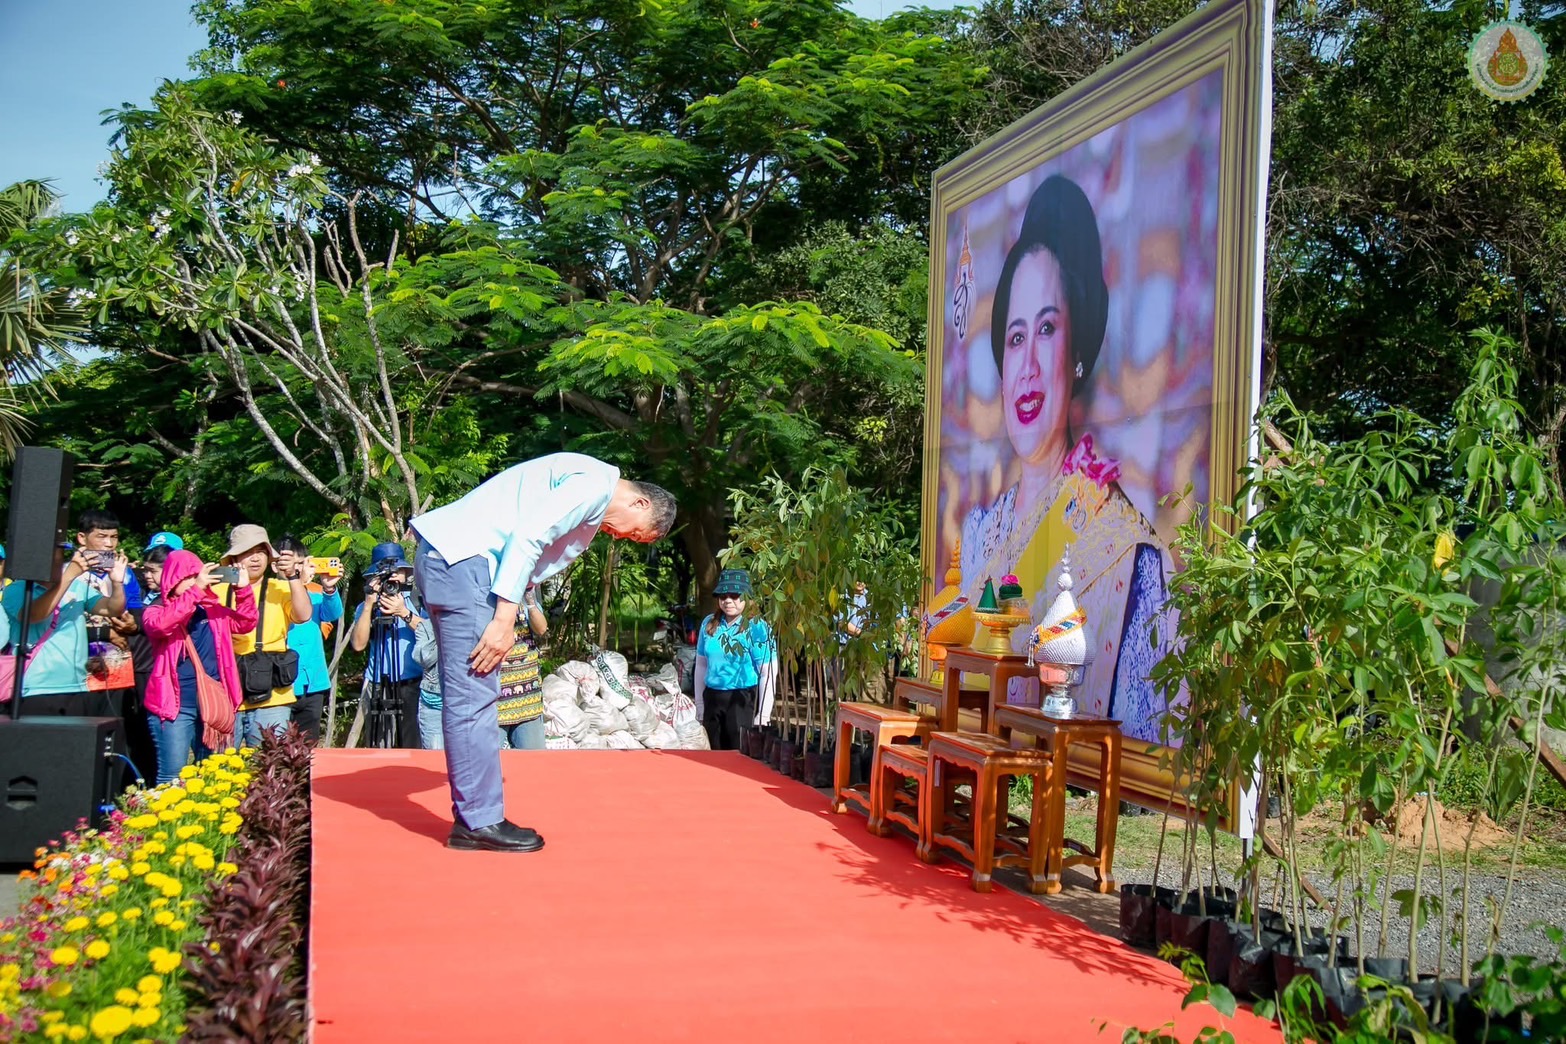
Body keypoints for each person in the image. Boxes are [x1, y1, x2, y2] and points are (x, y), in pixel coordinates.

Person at [972, 173, 1172, 741]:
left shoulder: (1129, 557)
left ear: (1077, 354)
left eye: (1047, 329)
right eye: (1015, 338)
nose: (1029, 364)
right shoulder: (983, 533)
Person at [410, 452, 676, 852]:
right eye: (636, 533)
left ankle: (476, 815)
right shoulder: (595, 483)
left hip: (457, 563)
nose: (622, 538)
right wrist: (504, 619)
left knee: (474, 692)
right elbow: (530, 535)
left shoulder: (589, 485)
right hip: (466, 564)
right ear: (640, 503)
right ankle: (477, 822)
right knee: (474, 693)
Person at [141, 550, 258, 783]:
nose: (198, 580)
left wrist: (243, 590)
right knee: (171, 776)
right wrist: (196, 591)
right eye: (190, 576)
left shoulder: (213, 611)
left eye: (199, 575)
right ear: (172, 580)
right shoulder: (154, 611)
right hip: (174, 707)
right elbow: (163, 625)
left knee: (209, 774)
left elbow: (246, 623)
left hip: (211, 706)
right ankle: (165, 820)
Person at [0, 543, 128, 714]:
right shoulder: (17, 590)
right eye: (54, 556)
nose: (58, 560)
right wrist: (69, 575)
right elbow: (34, 615)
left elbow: (112, 609)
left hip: (76, 686)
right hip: (35, 688)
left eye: (60, 555)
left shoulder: (77, 586)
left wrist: (117, 583)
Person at [215, 524, 313, 745]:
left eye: (260, 551)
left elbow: (304, 615)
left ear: (270, 557)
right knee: (224, 766)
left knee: (267, 769)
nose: (255, 558)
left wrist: (293, 577)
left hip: (273, 695)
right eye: (247, 552)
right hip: (228, 692)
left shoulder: (281, 587)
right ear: (233, 558)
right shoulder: (216, 589)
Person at [349, 542, 425, 748]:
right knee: (378, 744)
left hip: (413, 682)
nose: (392, 577)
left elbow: (431, 635)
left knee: (413, 744)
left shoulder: (417, 601)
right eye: (385, 573)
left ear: (405, 573)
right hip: (378, 683)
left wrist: (404, 613)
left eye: (397, 571)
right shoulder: (368, 605)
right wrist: (368, 606)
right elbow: (358, 645)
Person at [693, 569, 778, 751]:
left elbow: (768, 672)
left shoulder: (757, 627)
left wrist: (763, 714)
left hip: (742, 699)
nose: (728, 600)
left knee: (738, 755)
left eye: (735, 595)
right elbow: (701, 664)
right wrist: (699, 703)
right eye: (723, 596)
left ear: (747, 597)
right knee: (711, 755)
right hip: (712, 698)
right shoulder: (709, 624)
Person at [274, 535, 343, 743]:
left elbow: (332, 614)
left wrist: (329, 588)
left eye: (299, 564)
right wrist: (298, 583)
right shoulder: (269, 593)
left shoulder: (314, 592)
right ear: (275, 565)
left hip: (312, 683)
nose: (295, 570)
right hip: (280, 683)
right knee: (277, 747)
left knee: (307, 747)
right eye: (289, 565)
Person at [496, 586, 548, 750]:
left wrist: (530, 602)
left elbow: (541, 629)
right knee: (490, 763)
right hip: (494, 704)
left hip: (527, 702)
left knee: (534, 764)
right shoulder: (484, 601)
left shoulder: (523, 598)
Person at [410, 615, 445, 751]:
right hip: (434, 705)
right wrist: (443, 632)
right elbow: (424, 660)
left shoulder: (473, 624)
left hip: (464, 704)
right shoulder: (426, 626)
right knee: (436, 760)